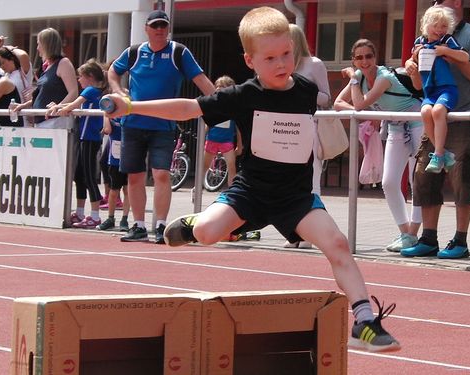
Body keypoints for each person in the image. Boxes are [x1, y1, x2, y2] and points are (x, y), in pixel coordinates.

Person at [101, 6, 401, 353]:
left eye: (286, 54)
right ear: (250, 60)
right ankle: (196, 223)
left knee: (337, 244)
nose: (281, 64)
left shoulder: (306, 90)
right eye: (270, 58)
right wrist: (132, 107)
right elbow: (188, 108)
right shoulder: (243, 95)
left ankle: (364, 322)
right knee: (207, 234)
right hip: (250, 193)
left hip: (295, 197)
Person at [108, 9, 216, 244]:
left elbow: (201, 81)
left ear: (168, 29)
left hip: (163, 126)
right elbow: (113, 71)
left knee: (161, 174)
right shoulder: (134, 52)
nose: (159, 30)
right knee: (135, 176)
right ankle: (138, 225)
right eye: (155, 25)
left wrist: (221, 103)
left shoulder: (179, 52)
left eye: (163, 26)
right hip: (133, 123)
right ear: (146, 28)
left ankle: (161, 225)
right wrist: (118, 91)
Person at [399, 0, 470, 260]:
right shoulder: (423, 38)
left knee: (462, 177)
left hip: (462, 115)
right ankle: (428, 238)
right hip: (433, 115)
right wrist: (413, 68)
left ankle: (460, 239)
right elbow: (419, 83)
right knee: (424, 175)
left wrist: (447, 54)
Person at [333, 38, 424, 252]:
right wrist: (367, 111)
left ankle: (413, 233)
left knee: (417, 181)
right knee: (389, 182)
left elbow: (359, 103)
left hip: (417, 122)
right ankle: (405, 233)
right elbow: (338, 104)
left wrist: (354, 81)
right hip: (395, 127)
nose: (364, 61)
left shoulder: (384, 77)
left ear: (375, 58)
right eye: (359, 58)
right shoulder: (358, 78)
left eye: (369, 56)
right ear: (353, 60)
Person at [47, 59, 108, 228]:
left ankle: (95, 215)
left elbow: (72, 105)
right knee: (79, 175)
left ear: (89, 76)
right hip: (84, 138)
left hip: (90, 139)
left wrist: (59, 108)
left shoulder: (91, 90)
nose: (78, 80)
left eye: (80, 76)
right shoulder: (91, 92)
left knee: (88, 176)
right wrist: (59, 105)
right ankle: (80, 212)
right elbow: (72, 105)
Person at [285, 24, 330, 249]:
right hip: (284, 129)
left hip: (309, 127)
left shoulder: (314, 64)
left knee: (312, 180)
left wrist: (301, 91)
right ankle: (295, 233)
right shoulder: (281, 66)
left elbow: (326, 97)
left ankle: (312, 235)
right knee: (288, 182)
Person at [411, 5, 469, 173]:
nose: (439, 29)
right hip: (429, 90)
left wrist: (445, 51)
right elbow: (412, 59)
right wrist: (412, 59)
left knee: (437, 112)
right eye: (435, 25)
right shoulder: (419, 42)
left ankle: (437, 154)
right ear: (426, 25)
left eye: (443, 26)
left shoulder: (447, 40)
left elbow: (465, 57)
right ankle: (443, 152)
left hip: (446, 89)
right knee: (425, 112)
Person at [13, 28, 78, 129]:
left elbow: (73, 92)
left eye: (39, 44)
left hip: (56, 121)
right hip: (42, 121)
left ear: (47, 45)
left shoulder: (63, 63)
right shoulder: (47, 67)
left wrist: (58, 106)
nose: (37, 48)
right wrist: (23, 105)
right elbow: (43, 95)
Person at [202, 75, 241, 188]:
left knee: (231, 167)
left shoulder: (234, 107)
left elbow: (238, 127)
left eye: (222, 86)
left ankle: (231, 191)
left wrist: (239, 145)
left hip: (227, 141)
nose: (218, 88)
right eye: (217, 86)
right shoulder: (212, 104)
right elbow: (207, 124)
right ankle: (197, 188)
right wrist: (202, 139)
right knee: (204, 167)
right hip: (211, 139)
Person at [97, 116, 131, 232]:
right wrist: (106, 115)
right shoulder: (112, 117)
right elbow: (107, 130)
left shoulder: (130, 117)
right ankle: (110, 218)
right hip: (115, 160)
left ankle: (124, 219)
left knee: (127, 190)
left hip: (129, 158)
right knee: (114, 190)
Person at [0, 37, 34, 104]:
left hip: (23, 110)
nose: (1, 66)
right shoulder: (3, 74)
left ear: (11, 59)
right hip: (7, 109)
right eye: (0, 64)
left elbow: (23, 55)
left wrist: (11, 49)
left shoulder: (23, 71)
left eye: (3, 62)